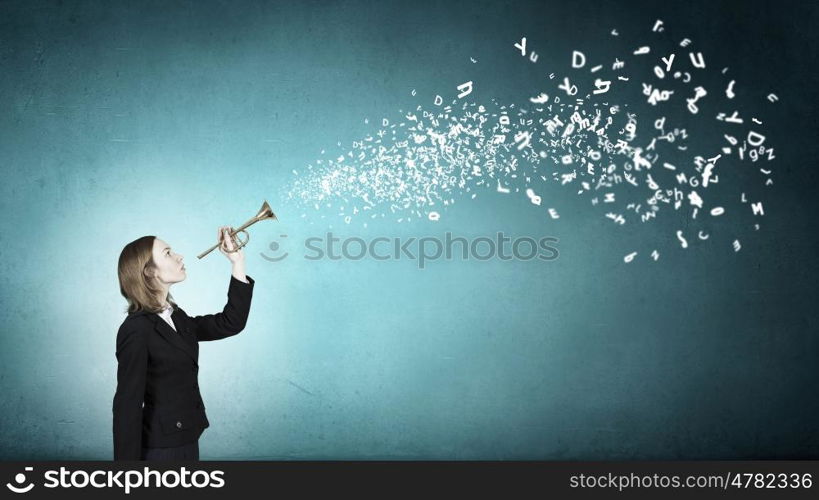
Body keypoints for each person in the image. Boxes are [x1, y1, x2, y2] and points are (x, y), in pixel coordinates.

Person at [113, 226, 255, 460]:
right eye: (168, 253)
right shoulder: (136, 329)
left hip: (188, 437)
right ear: (148, 271)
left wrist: (237, 261)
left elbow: (231, 323)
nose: (179, 256)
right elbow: (127, 406)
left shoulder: (177, 317)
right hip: (160, 449)